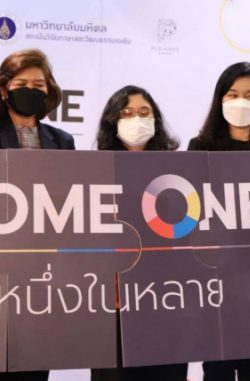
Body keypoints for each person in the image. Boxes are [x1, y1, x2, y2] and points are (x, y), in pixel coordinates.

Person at [0, 48, 74, 381]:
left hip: (45, 264)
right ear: (3, 89)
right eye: (21, 84)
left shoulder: (62, 140)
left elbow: (70, 198)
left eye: (39, 85)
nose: (31, 90)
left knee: (37, 357)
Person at [188, 62, 250, 381]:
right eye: (233, 94)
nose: (241, 101)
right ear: (220, 99)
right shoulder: (199, 147)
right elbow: (191, 209)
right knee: (215, 365)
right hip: (213, 273)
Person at [89, 85, 186, 381]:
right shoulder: (93, 171)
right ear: (113, 122)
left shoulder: (178, 170)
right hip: (114, 306)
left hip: (166, 300)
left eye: (144, 113)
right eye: (127, 113)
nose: (137, 120)